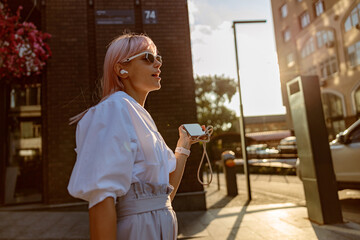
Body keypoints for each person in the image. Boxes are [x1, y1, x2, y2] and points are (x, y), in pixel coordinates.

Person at [67, 33, 199, 240]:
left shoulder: (138, 115)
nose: (157, 63)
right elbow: (102, 196)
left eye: (159, 58)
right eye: (148, 57)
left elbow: (165, 197)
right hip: (139, 231)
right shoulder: (113, 109)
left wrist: (184, 144)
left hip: (159, 228)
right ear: (122, 69)